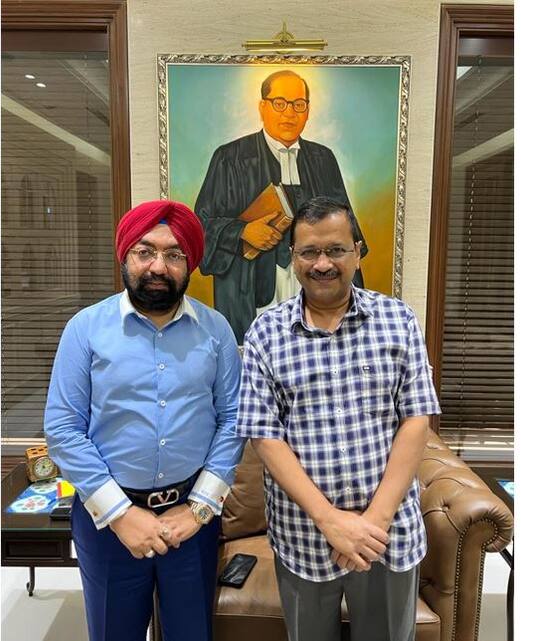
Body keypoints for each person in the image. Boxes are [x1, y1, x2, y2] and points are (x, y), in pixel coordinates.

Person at [236, 196, 441, 641]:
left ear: (357, 252)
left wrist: (375, 522)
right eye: (309, 252)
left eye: (335, 250)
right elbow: (265, 437)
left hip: (388, 535)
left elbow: (416, 419)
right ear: (293, 257)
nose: (322, 264)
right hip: (304, 534)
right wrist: (329, 520)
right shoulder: (265, 333)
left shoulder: (398, 319)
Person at [44, 200, 244, 641]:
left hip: (190, 521)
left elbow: (233, 419)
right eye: (145, 251)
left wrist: (199, 509)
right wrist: (120, 515)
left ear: (190, 263)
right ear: (125, 255)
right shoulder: (85, 329)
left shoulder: (216, 330)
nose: (158, 266)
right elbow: (63, 429)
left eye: (174, 254)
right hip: (107, 523)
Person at [195, 69, 368, 344]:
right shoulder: (230, 158)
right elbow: (200, 227)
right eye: (280, 103)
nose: (289, 113)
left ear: (307, 111)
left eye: (298, 105)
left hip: (313, 286)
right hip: (253, 289)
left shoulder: (323, 158)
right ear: (262, 107)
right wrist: (242, 232)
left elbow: (349, 230)